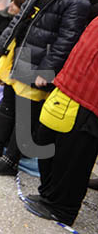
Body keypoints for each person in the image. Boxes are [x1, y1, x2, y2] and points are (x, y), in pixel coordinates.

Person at [0, 0, 97, 176]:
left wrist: (48, 69)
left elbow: (67, 39)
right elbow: (19, 19)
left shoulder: (77, 0)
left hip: (40, 57)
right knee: (10, 102)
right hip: (23, 50)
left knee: (26, 111)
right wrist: (0, 48)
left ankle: (11, 159)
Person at [25, 15, 98, 226]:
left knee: (74, 155)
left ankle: (62, 207)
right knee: (47, 136)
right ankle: (49, 195)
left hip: (89, 98)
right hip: (69, 84)